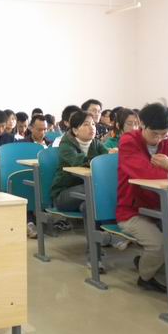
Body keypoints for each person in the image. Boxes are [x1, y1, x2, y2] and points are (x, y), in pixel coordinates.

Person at [117, 103, 168, 293]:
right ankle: (145, 277)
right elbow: (145, 173)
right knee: (159, 244)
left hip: (162, 208)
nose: (159, 139)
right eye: (154, 134)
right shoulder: (128, 141)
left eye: (164, 134)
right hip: (132, 211)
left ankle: (147, 262)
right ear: (142, 124)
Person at [50, 110, 113, 270]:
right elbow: (78, 161)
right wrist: (101, 160)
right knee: (94, 190)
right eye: (86, 124)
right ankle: (112, 236)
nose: (92, 128)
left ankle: (94, 256)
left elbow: (107, 160)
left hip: (86, 195)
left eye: (93, 124)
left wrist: (112, 155)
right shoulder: (66, 145)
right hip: (64, 195)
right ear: (75, 130)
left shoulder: (96, 144)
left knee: (88, 206)